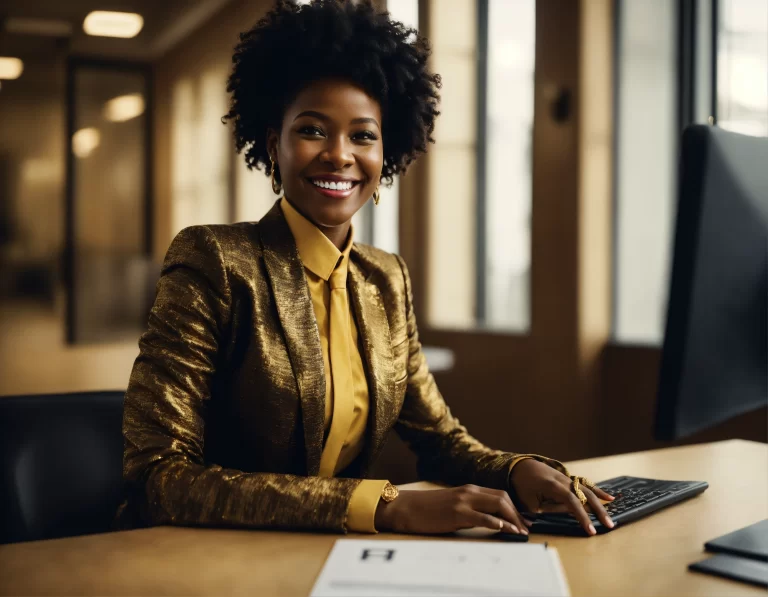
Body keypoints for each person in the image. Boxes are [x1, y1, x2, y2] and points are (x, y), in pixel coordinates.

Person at [117, 0, 614, 537]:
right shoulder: (214, 261)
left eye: (363, 135)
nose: (339, 154)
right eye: (312, 130)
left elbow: (441, 441)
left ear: (387, 152)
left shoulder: (386, 279)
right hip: (207, 558)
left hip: (333, 558)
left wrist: (517, 470)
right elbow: (158, 477)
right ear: (272, 145)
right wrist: (384, 505)